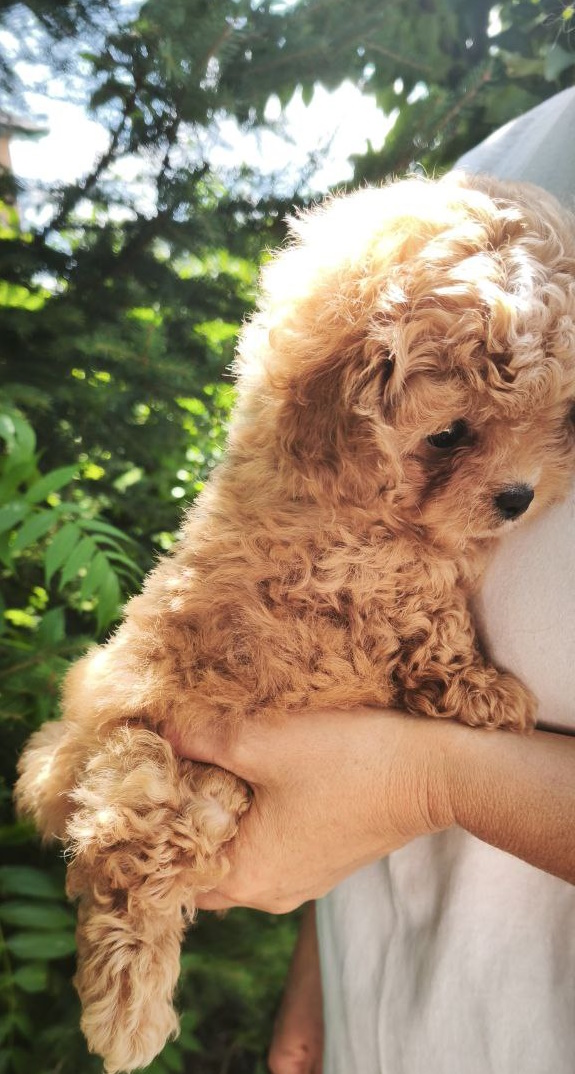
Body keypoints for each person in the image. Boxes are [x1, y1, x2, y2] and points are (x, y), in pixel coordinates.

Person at [173, 87, 575, 1074]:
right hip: (377, 1009)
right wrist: (321, 966)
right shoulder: (503, 163)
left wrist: (429, 780)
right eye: (451, 434)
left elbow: (391, 767)